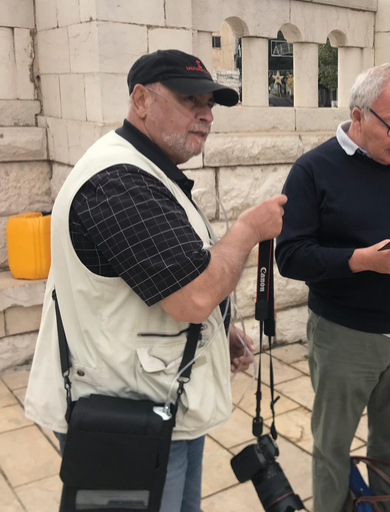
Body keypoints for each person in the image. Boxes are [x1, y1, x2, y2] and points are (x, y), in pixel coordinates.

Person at [24, 49, 287, 512]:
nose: (206, 116)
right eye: (191, 101)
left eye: (211, 104)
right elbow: (194, 296)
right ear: (141, 100)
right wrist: (247, 231)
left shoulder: (144, 170)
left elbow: (159, 277)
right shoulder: (119, 181)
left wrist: (218, 334)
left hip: (159, 406)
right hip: (126, 419)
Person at [275, 64, 390, 511]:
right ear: (358, 117)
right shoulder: (312, 170)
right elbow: (291, 256)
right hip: (344, 335)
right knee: (333, 444)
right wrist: (362, 261)